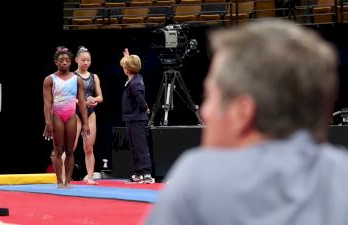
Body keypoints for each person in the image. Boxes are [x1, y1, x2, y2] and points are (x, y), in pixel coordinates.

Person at [144, 20, 348, 225]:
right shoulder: (341, 173)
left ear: (243, 112)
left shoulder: (198, 177)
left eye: (210, 97)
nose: (204, 112)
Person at [43, 46, 90, 188]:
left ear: (71, 63)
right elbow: (47, 103)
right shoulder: (49, 79)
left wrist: (86, 122)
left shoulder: (77, 80)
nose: (64, 62)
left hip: (71, 115)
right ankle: (59, 181)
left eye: (67, 60)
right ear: (56, 62)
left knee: (70, 150)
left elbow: (82, 102)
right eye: (61, 60)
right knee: (58, 150)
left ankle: (68, 180)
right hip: (57, 115)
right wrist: (48, 121)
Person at [120, 48, 154, 184]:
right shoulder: (134, 79)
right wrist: (128, 59)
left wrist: (145, 107)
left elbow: (140, 98)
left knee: (140, 146)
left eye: (125, 67)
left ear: (127, 69)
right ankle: (138, 172)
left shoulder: (135, 83)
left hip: (137, 119)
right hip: (131, 118)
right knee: (134, 146)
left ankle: (146, 173)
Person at [73, 45, 103, 185]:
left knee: (89, 147)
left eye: (88, 60)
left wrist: (94, 100)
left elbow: (100, 96)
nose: (85, 63)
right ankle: (63, 177)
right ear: (76, 60)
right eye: (83, 60)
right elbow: (68, 97)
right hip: (75, 113)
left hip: (90, 113)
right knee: (71, 147)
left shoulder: (94, 76)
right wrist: (83, 102)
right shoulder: (72, 76)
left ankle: (90, 177)